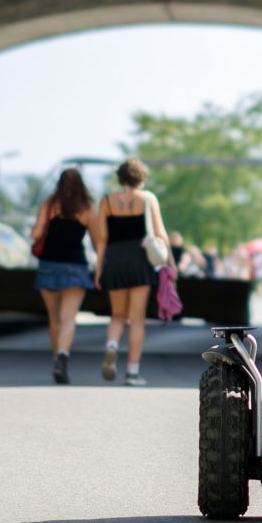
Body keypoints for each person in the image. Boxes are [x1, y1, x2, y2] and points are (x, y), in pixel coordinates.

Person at [94, 157, 175, 386]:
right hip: (140, 260)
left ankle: (111, 346)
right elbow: (160, 234)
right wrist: (171, 264)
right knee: (137, 319)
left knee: (117, 315)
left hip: (114, 260)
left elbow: (102, 239)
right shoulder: (148, 198)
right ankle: (132, 372)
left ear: (120, 177)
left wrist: (99, 269)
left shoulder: (107, 201)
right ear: (141, 177)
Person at [30, 168, 100, 384]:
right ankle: (63, 355)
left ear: (59, 184)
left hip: (49, 265)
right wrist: (102, 269)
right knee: (69, 318)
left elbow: (34, 235)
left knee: (54, 319)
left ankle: (56, 359)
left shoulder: (50, 205)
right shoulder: (86, 209)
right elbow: (98, 242)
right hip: (75, 267)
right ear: (81, 185)